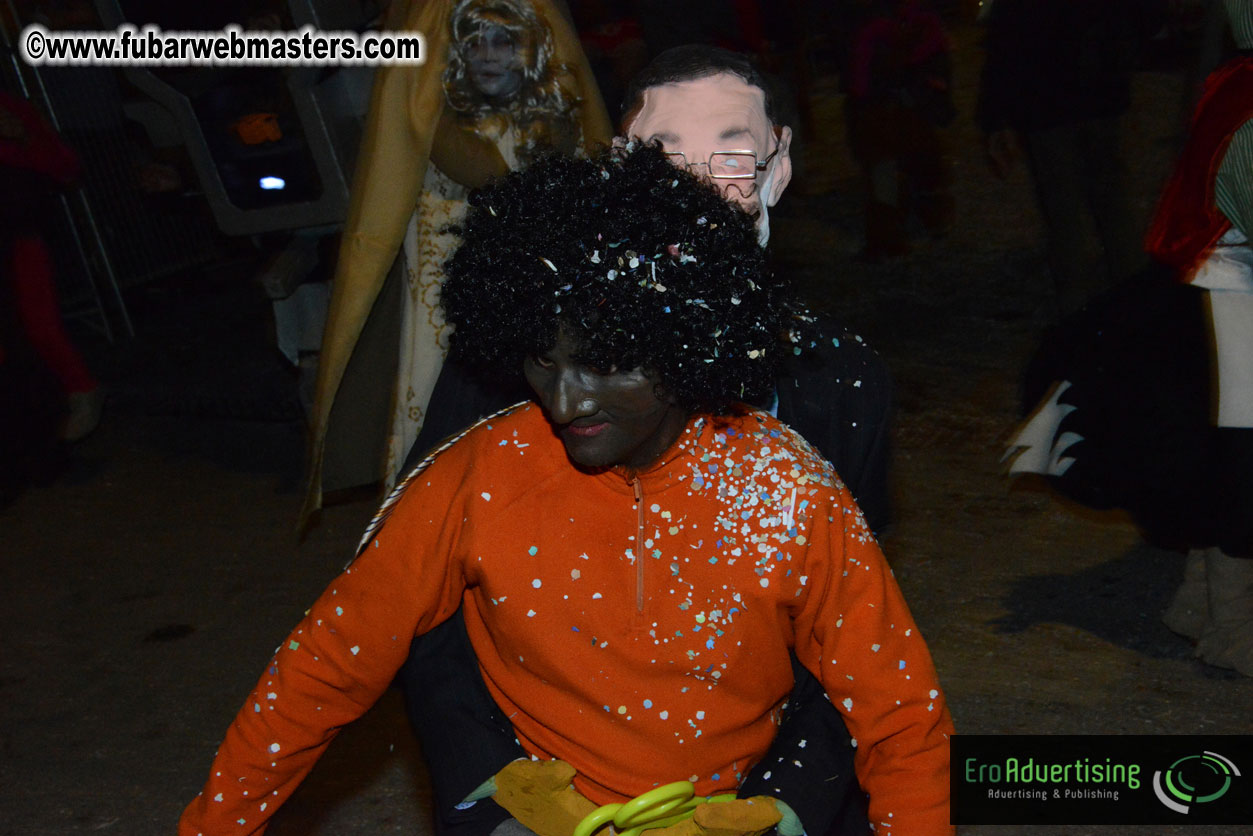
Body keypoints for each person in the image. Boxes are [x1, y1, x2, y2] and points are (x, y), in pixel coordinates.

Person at [180, 143, 953, 836]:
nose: (566, 401)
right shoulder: (476, 477)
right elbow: (322, 668)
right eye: (543, 362)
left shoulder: (787, 488)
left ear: (685, 343)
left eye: (607, 365)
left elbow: (900, 716)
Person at [399, 45, 895, 836]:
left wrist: (785, 806)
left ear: (778, 167)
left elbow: (850, 643)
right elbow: (420, 603)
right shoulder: (517, 350)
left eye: (731, 153)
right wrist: (498, 793)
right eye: (664, 158)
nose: (697, 189)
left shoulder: (838, 381)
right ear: (621, 167)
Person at [1005, 0, 1253, 675]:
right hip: (1231, 291)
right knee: (1238, 461)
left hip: (1208, 286)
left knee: (1223, 457)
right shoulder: (1242, 91)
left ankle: (1202, 603)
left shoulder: (1231, 82)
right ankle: (1231, 625)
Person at [302, 0, 613, 519]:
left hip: (541, 285)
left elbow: (569, 149)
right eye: (475, 45)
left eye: (503, 44)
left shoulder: (548, 106)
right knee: (458, 418)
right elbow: (464, 162)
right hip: (463, 293)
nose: (489, 57)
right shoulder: (444, 107)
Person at [976, 0, 1162, 316]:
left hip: (1047, 100)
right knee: (1111, 200)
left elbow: (1005, 39)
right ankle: (1133, 301)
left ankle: (1079, 307)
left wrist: (995, 114)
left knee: (1064, 209)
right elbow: (1144, 15)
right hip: (1098, 92)